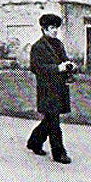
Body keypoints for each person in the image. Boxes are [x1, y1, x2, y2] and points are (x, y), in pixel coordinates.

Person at [26, 13, 75, 164]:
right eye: (52, 28)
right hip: (46, 88)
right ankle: (59, 153)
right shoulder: (38, 47)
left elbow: (64, 60)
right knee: (54, 121)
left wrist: (69, 65)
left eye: (56, 28)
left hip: (60, 87)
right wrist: (57, 68)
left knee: (50, 119)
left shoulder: (58, 44)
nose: (55, 31)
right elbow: (36, 68)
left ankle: (34, 142)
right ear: (44, 29)